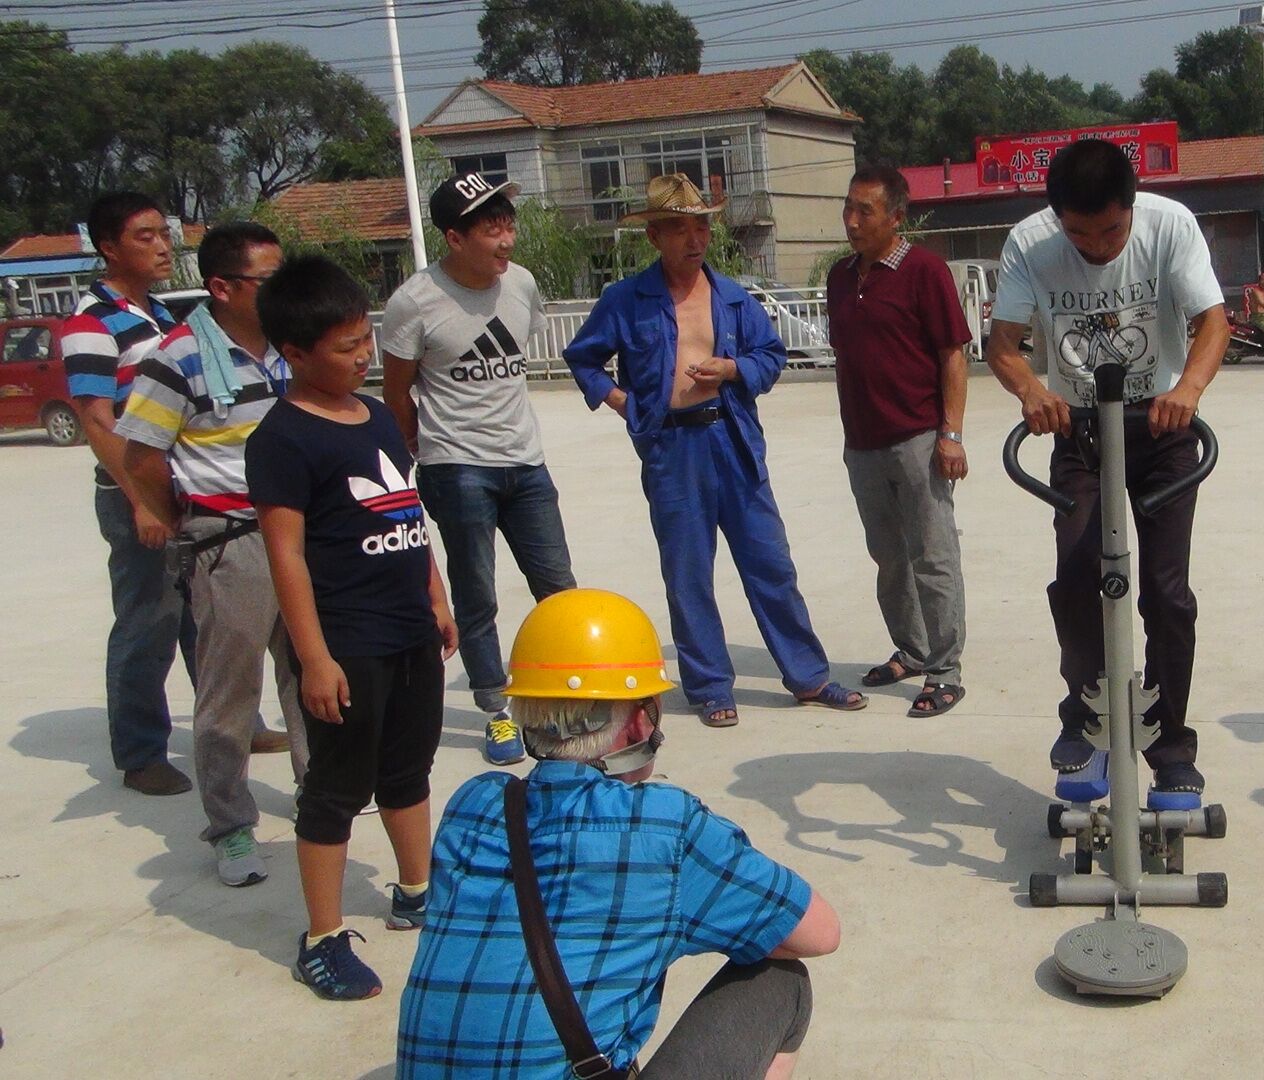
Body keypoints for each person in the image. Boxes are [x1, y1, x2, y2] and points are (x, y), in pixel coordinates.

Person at [397, 588, 838, 1078]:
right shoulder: (663, 824)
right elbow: (819, 933)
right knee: (785, 983)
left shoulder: (474, 804)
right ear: (639, 723)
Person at [562, 173, 866, 727]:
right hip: (672, 448)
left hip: (734, 440)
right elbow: (583, 358)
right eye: (679, 228)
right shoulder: (626, 301)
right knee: (688, 573)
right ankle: (708, 686)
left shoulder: (732, 297)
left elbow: (771, 356)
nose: (694, 239)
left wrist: (733, 369)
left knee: (770, 563)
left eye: (701, 227)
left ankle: (809, 676)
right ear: (654, 236)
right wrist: (624, 403)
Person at [984, 138, 1229, 800]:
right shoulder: (1030, 243)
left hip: (1164, 428)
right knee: (1075, 576)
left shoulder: (1169, 226)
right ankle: (1089, 722)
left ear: (1132, 206)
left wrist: (1190, 389)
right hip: (1081, 431)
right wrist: (1032, 391)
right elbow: (1002, 345)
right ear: (1057, 217)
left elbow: (1212, 322)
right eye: (1080, 234)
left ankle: (1170, 746)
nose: (1096, 246)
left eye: (1112, 231)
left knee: (1166, 594)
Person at [245, 254, 458, 1000]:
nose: (365, 355)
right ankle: (323, 938)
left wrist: (435, 594)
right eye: (346, 347)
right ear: (295, 353)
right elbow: (286, 556)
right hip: (348, 642)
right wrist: (314, 658)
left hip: (409, 630)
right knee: (336, 788)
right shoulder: (281, 439)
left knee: (408, 768)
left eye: (365, 338)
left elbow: (406, 510)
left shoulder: (377, 417)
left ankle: (418, 890)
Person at [117, 222, 310, 885]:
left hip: (301, 533)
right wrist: (180, 519)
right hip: (229, 541)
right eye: (269, 279)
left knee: (310, 669)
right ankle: (230, 827)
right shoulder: (177, 357)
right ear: (223, 288)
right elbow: (141, 455)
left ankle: (318, 791)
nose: (283, 289)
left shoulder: (291, 346)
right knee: (230, 689)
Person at [382, 172, 577, 766]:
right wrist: (420, 449)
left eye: (509, 225)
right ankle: (497, 710)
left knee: (558, 588)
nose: (506, 240)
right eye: (492, 230)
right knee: (477, 595)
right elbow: (396, 392)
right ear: (454, 238)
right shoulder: (414, 302)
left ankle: (566, 696)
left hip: (527, 463)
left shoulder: (521, 284)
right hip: (457, 467)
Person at [60, 192, 200, 795]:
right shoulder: (90, 322)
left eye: (164, 233)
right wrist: (142, 500)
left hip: (185, 488)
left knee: (205, 616)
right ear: (108, 248)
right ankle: (141, 753)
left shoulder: (163, 316)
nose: (163, 246)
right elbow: (97, 420)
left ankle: (232, 725)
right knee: (149, 622)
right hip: (135, 496)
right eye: (146, 236)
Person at [826, 165, 972, 717]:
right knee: (888, 557)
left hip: (918, 440)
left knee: (932, 557)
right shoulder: (841, 277)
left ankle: (945, 669)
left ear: (896, 217)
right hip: (862, 444)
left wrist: (950, 434)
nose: (852, 221)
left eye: (864, 211)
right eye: (848, 208)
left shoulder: (925, 271)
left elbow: (952, 355)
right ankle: (911, 650)